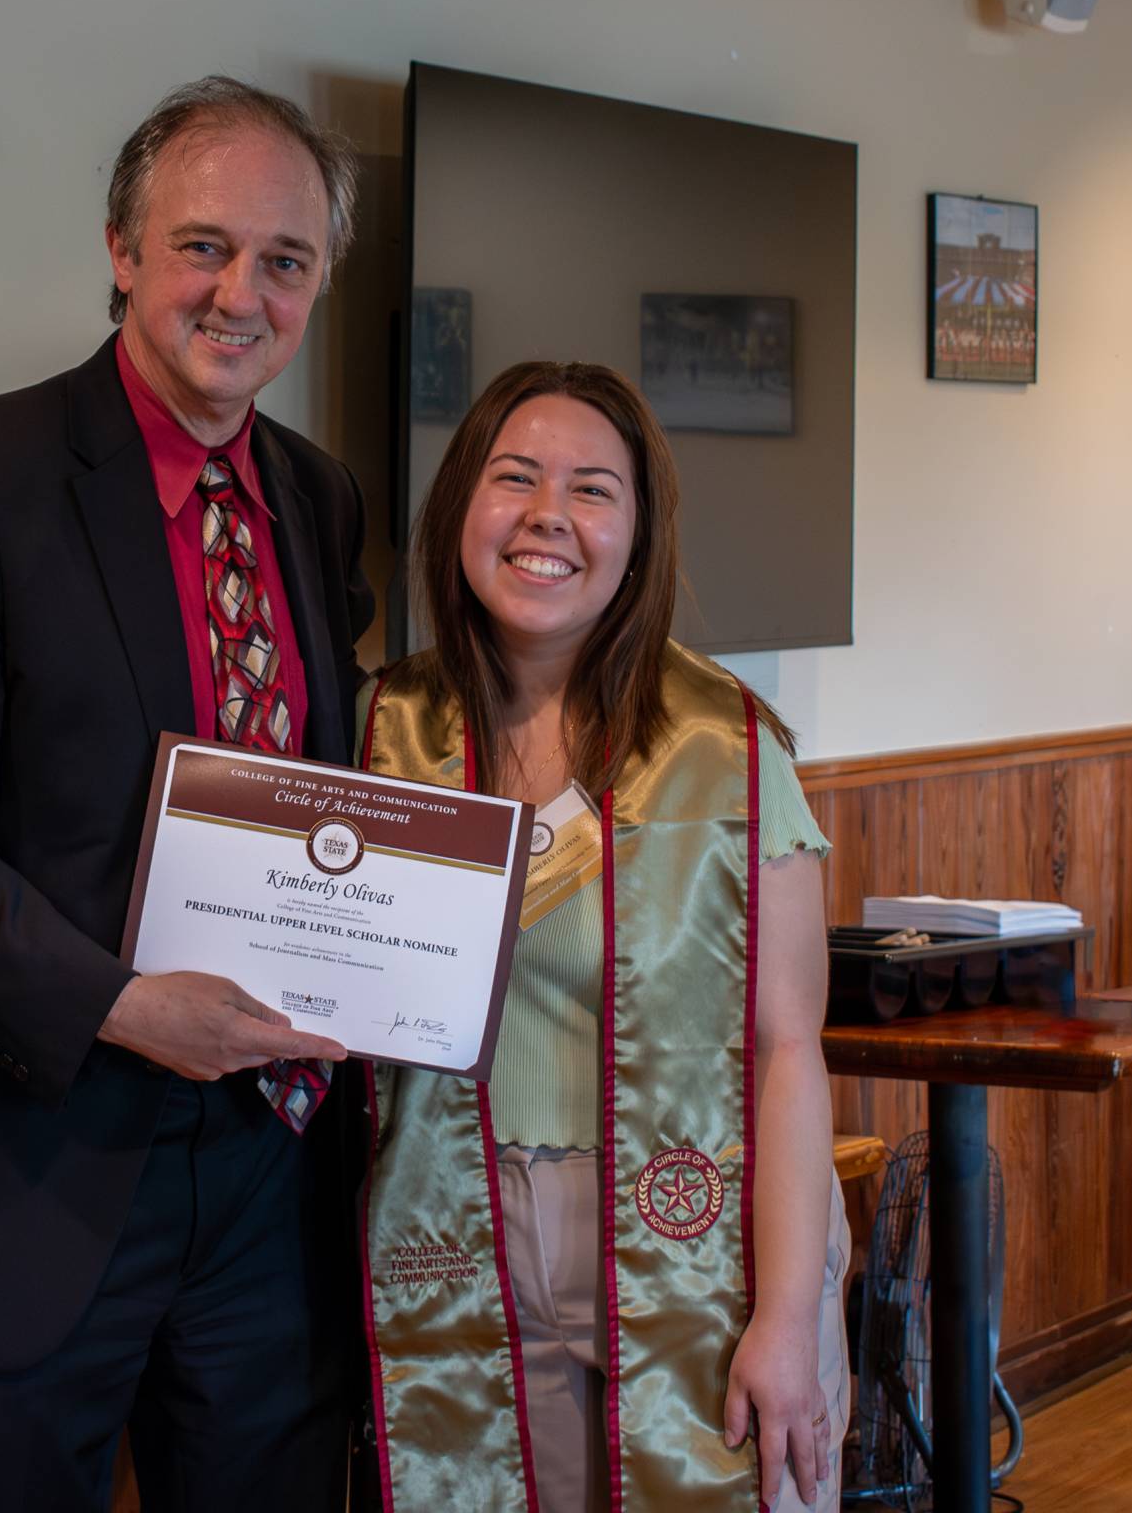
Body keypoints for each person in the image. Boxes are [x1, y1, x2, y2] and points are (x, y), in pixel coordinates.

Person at [0, 76, 378, 1512]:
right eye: (204, 247)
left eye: (286, 260)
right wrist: (123, 1005)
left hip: (271, 1176)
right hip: (26, 1174)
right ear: (122, 251)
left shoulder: (319, 498)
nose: (241, 293)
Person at [354, 360, 850, 1512]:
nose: (547, 517)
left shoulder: (726, 748)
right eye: (513, 477)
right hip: (460, 1227)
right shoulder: (385, 734)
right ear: (458, 512)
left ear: (639, 533)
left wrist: (783, 1319)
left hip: (702, 1234)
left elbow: (789, 1050)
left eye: (593, 489)